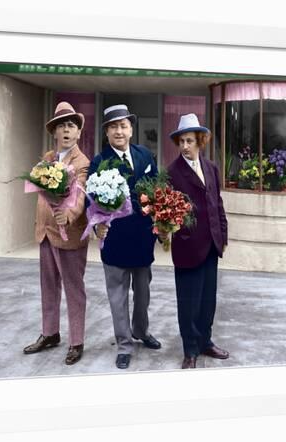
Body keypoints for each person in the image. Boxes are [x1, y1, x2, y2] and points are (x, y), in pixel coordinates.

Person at [89, 104, 161, 370]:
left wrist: (162, 221)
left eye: (123, 125)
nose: (119, 131)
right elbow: (91, 200)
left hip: (142, 238)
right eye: (113, 127)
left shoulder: (145, 154)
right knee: (117, 297)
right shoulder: (99, 161)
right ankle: (124, 345)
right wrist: (97, 225)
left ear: (131, 129)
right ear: (107, 132)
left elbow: (157, 190)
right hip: (116, 239)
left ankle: (141, 331)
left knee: (143, 293)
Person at [23, 102, 90, 365]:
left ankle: (77, 341)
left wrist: (69, 214)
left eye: (71, 126)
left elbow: (81, 195)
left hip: (69, 235)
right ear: (54, 131)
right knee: (48, 286)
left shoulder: (82, 162)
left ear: (78, 133)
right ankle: (50, 333)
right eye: (61, 125)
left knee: (74, 289)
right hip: (44, 233)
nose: (66, 130)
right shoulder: (48, 158)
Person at [165, 113, 229, 369]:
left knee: (207, 301)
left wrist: (222, 234)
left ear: (200, 141)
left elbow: (218, 204)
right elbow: (164, 212)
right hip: (188, 248)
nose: (185, 146)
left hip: (212, 245)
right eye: (181, 141)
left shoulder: (212, 168)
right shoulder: (172, 172)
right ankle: (190, 349)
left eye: (190, 141)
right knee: (189, 303)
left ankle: (205, 342)